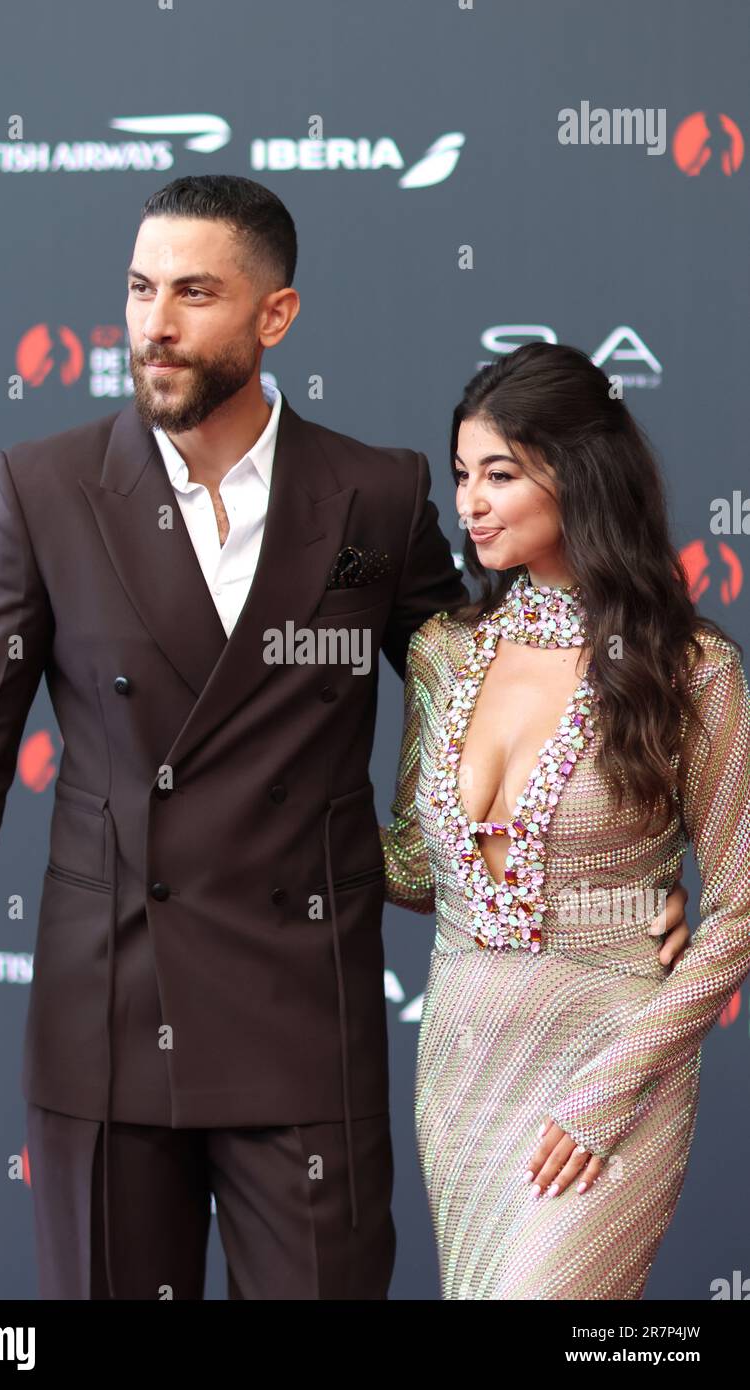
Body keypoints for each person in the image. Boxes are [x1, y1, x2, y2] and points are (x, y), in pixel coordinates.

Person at [0, 178, 691, 1301]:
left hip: (304, 1022)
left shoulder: (371, 496)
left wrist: (613, 878)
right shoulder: (47, 489)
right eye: (138, 291)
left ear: (274, 317)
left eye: (192, 293)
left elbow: (501, 676)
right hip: (109, 1012)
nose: (153, 324)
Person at [380, 340, 750, 1299]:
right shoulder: (441, 654)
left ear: (578, 472)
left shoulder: (689, 667)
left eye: (499, 474)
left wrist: (610, 1089)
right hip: (464, 1063)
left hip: (612, 1060)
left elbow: (743, 905)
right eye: (462, 476)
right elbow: (416, 874)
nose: (470, 503)